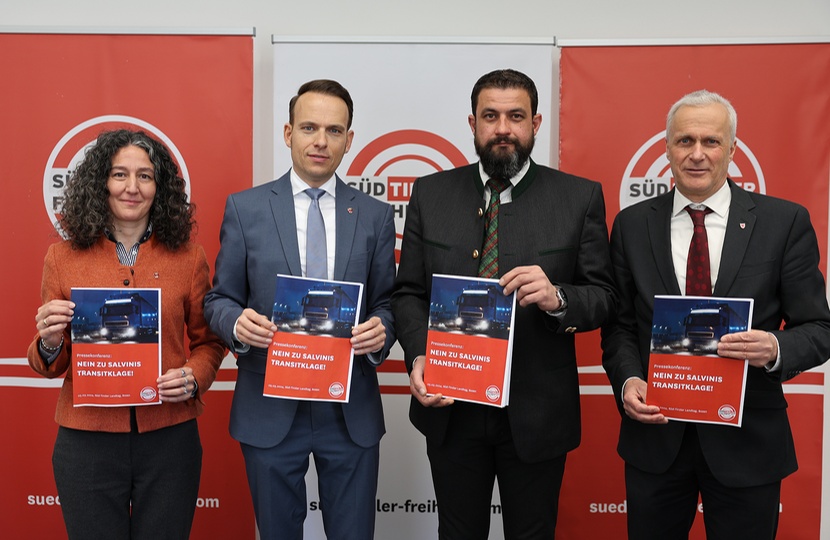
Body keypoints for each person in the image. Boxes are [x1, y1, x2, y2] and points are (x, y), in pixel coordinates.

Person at [392, 68, 617, 539]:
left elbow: (603, 296)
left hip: (537, 413)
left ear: (535, 123)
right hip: (451, 406)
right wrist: (418, 355)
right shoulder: (431, 193)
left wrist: (558, 297)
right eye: (490, 116)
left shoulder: (578, 197)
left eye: (515, 116)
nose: (502, 128)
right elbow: (409, 291)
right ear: (472, 123)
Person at [601, 89, 830, 539]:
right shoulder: (631, 225)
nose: (697, 154)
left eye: (711, 141)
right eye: (685, 141)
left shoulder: (783, 223)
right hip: (657, 441)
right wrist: (628, 380)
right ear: (667, 148)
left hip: (748, 443)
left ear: (732, 149)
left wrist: (775, 347)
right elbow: (620, 326)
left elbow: (820, 328)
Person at [203, 79, 396, 539]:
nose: (320, 141)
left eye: (334, 130)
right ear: (289, 133)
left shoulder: (375, 216)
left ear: (349, 140)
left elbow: (387, 302)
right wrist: (237, 323)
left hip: (349, 409)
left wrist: (381, 331)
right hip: (269, 404)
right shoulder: (245, 209)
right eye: (309, 127)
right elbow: (218, 299)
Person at [27, 129, 226, 539]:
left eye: (145, 176)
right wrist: (49, 341)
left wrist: (193, 377)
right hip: (86, 442)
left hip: (170, 439)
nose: (132, 187)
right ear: (100, 182)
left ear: (160, 187)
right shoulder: (61, 258)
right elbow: (51, 364)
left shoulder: (190, 258)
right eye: (120, 174)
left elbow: (209, 341)